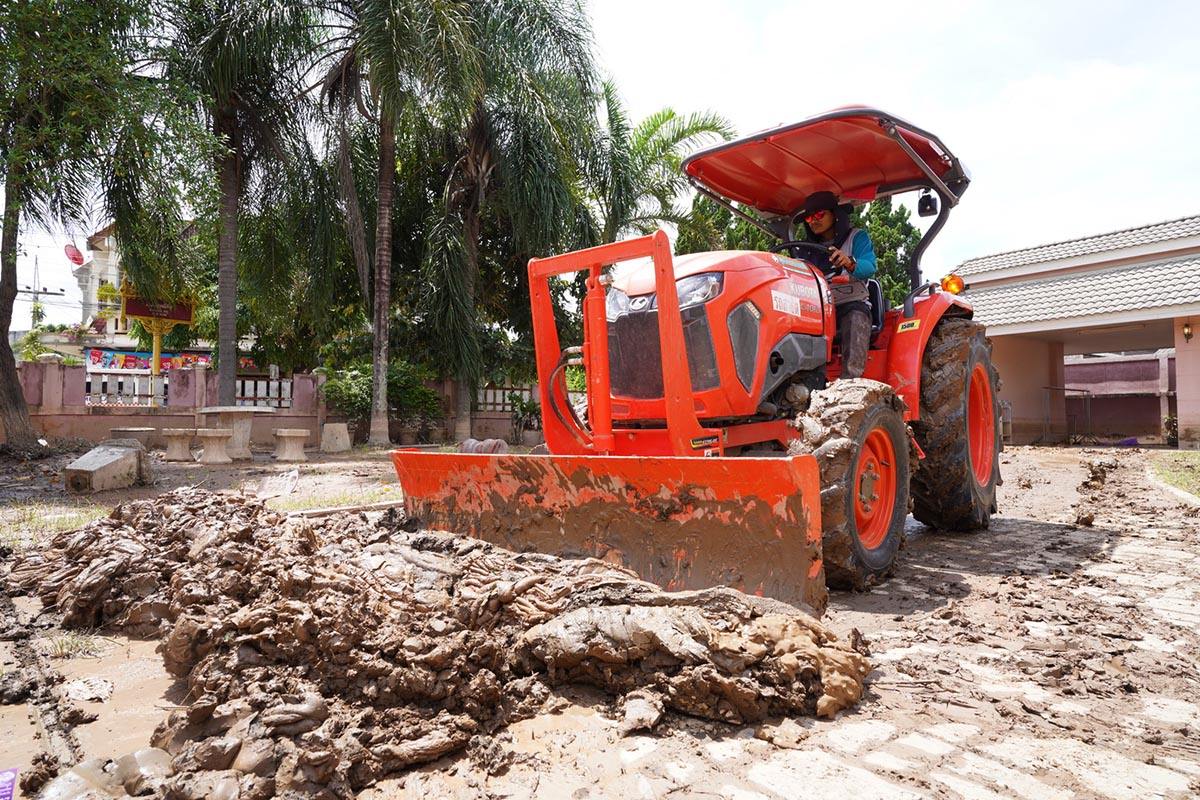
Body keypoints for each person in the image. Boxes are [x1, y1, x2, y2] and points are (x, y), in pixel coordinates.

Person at [797, 190, 877, 380]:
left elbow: (869, 266)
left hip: (849, 302)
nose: (813, 221)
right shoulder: (803, 250)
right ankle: (807, 383)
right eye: (809, 218)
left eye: (819, 215)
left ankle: (851, 381)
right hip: (817, 309)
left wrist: (850, 262)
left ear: (835, 214)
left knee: (855, 315)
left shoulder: (857, 238)